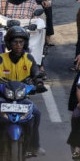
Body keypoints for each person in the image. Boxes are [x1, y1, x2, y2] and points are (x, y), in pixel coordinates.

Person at [0, 26, 45, 156]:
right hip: (3, 96)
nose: (18, 45)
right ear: (9, 43)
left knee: (36, 114)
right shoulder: (2, 58)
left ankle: (34, 145)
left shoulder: (29, 58)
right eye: (15, 42)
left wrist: (39, 82)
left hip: (22, 97)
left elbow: (36, 72)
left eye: (21, 42)